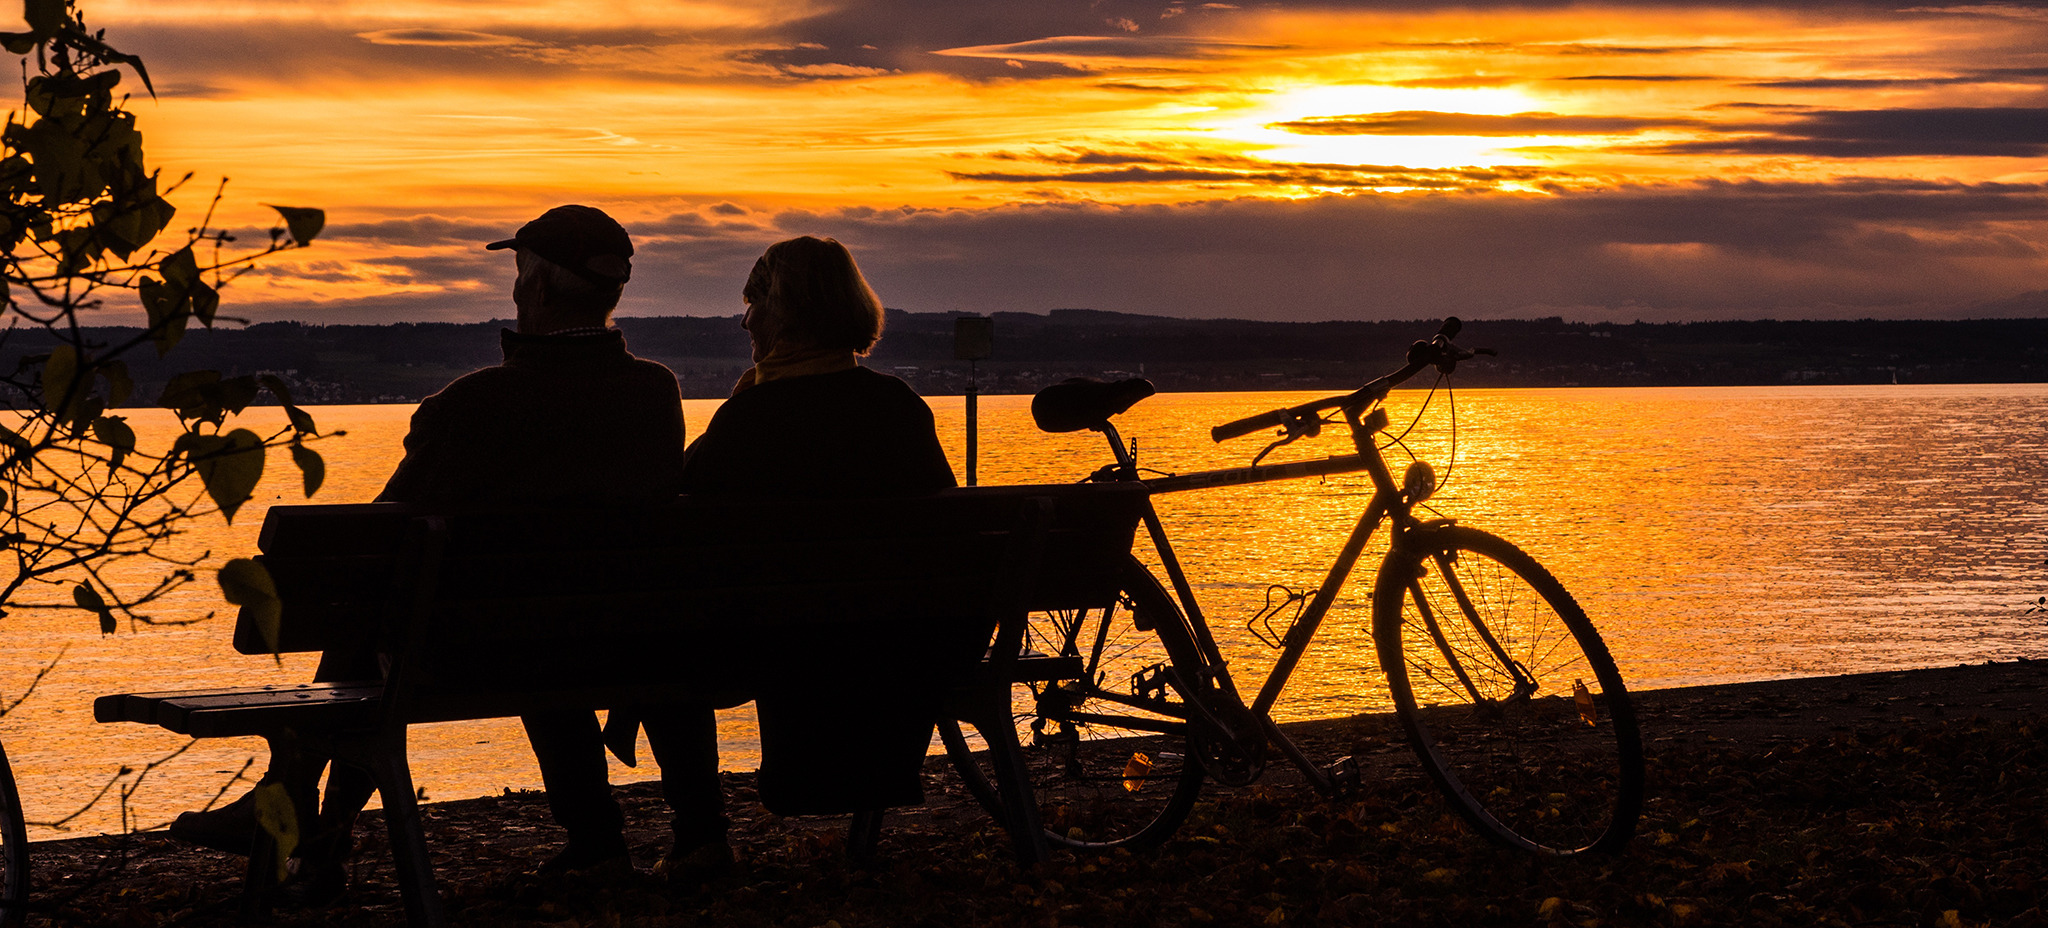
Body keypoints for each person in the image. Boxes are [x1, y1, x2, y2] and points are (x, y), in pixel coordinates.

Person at [170, 204, 686, 891]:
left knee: (380, 606)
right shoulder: (655, 394)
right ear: (613, 292)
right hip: (614, 639)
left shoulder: (472, 405)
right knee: (416, 610)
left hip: (480, 651)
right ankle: (593, 840)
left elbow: (381, 539)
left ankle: (306, 817)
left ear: (533, 288)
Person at [639, 235, 953, 881]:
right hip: (900, 643)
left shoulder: (753, 417)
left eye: (752, 302)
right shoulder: (900, 408)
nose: (745, 318)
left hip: (781, 645)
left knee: (652, 642)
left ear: (784, 313)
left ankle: (700, 835)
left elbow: (675, 503)